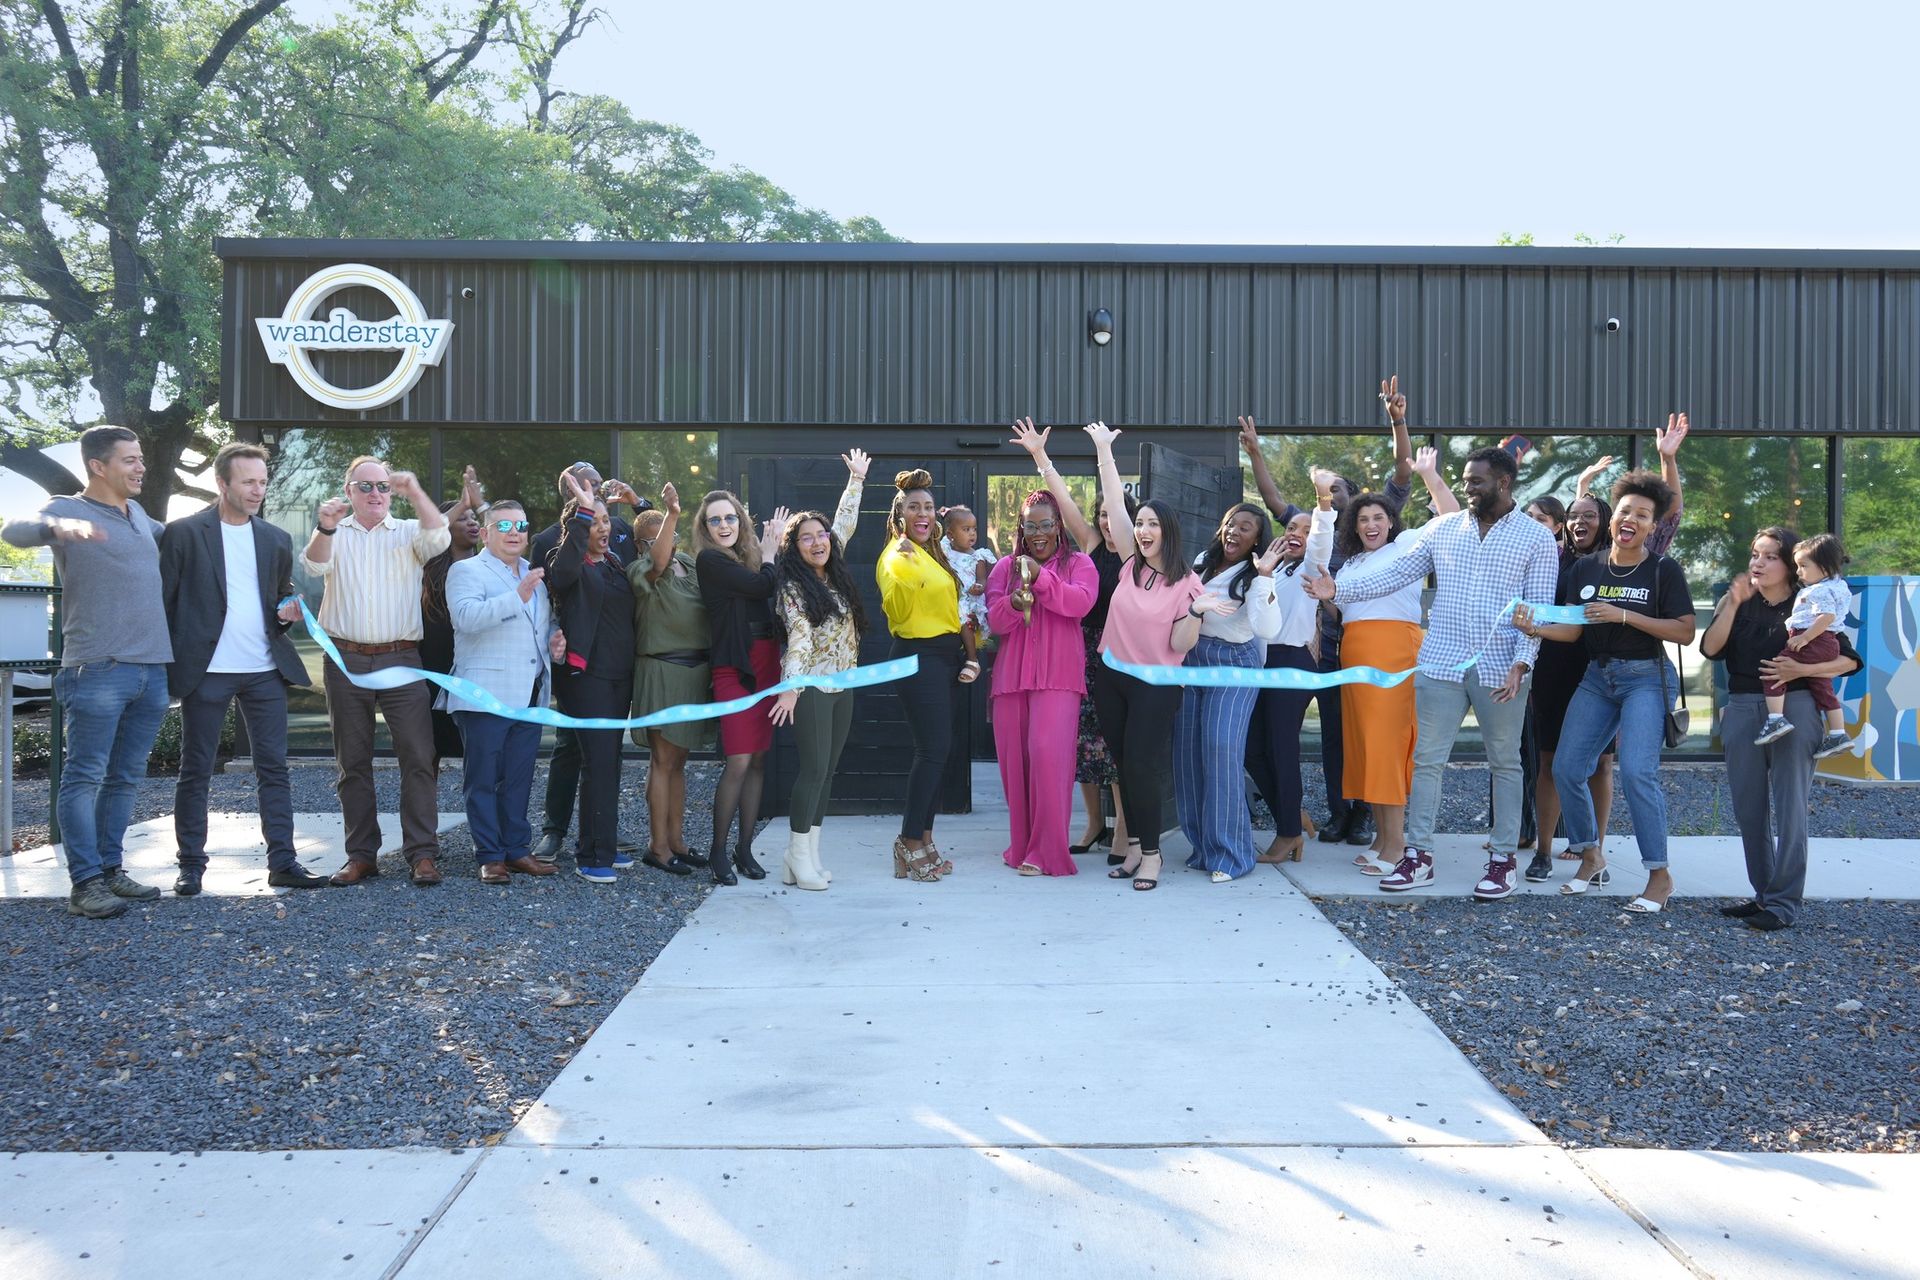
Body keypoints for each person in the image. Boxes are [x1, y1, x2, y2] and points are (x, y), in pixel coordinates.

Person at [1309, 445, 1559, 900]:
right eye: (1464, 480)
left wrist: (1522, 663)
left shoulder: (1536, 538)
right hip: (1440, 661)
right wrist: (1338, 587)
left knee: (1505, 763)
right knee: (1427, 762)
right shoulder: (1443, 529)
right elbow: (1396, 572)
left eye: (1475, 481)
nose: (1466, 488)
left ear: (1503, 483)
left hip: (1501, 667)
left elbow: (1536, 611)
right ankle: (1417, 855)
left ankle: (1502, 861)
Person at [4, 427, 171, 918]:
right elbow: (12, 529)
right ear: (98, 466)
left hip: (151, 672)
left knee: (123, 779)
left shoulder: (140, 515)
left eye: (141, 458)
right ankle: (85, 883)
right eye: (130, 460)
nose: (141, 467)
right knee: (84, 778)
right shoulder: (66, 507)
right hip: (96, 670)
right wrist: (59, 529)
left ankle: (111, 870)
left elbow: (189, 541)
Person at [1241, 380, 1417, 847]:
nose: (1330, 493)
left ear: (1355, 498)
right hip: (1311, 648)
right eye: (1326, 489)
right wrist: (1256, 454)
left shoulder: (1367, 531)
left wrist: (1397, 421)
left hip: (1351, 646)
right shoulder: (1316, 532)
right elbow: (1276, 500)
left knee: (1357, 731)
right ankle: (1338, 814)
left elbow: (1403, 471)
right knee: (1333, 740)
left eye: (1338, 489)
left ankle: (1360, 815)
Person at [1516, 472, 1695, 913]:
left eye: (1642, 514)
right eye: (1625, 511)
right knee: (1566, 767)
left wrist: (1623, 616)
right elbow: (1575, 632)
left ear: (1653, 526)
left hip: (1646, 678)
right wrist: (1534, 628)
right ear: (1612, 519)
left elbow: (1685, 632)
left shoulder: (1662, 570)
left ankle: (1659, 876)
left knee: (1637, 772)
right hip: (1598, 678)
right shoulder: (1586, 568)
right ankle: (1590, 856)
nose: (1630, 519)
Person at [158, 442, 325, 896]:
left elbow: (277, 598)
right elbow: (165, 604)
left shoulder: (274, 538)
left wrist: (286, 610)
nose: (258, 490)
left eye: (263, 482)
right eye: (248, 482)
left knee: (274, 768)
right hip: (206, 671)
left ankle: (283, 863)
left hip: (263, 670)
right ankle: (191, 865)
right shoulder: (184, 533)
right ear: (222, 483)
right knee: (196, 770)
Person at [1700, 528, 1863, 932]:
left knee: (1790, 810)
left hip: (1797, 707)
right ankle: (1763, 895)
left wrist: (1802, 669)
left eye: (1769, 556)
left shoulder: (1809, 600)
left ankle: (1783, 903)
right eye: (1755, 554)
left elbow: (1849, 661)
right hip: (1741, 707)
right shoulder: (1737, 598)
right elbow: (1710, 649)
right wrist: (1733, 604)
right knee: (1748, 810)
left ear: (1790, 563)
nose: (1757, 563)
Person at [300, 455, 450, 887]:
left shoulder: (407, 531)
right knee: (353, 762)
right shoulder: (334, 531)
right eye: (365, 486)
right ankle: (361, 855)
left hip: (401, 658)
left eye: (383, 486)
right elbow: (313, 565)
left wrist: (415, 491)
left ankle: (422, 854)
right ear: (349, 491)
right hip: (345, 659)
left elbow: (438, 539)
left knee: (419, 757)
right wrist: (326, 525)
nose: (375, 494)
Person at [1085, 422, 1215, 891]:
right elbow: (1115, 499)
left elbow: (1181, 647)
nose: (1142, 530)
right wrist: (1104, 450)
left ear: (1168, 532)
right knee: (1123, 763)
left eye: (1152, 524)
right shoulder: (1127, 566)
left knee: (1142, 765)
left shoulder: (1187, 583)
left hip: (1157, 686)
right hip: (1112, 677)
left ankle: (1153, 855)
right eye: (1140, 523)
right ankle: (1136, 846)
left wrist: (1197, 610)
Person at [1324, 447, 1459, 876]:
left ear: (1392, 522)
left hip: (1392, 650)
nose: (1370, 524)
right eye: (1363, 519)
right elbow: (1343, 612)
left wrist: (1428, 476)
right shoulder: (1354, 562)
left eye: (1378, 517)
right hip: (1355, 651)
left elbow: (1452, 519)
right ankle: (1383, 837)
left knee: (1387, 746)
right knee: (1365, 747)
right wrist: (1322, 597)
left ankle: (1399, 846)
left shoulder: (1407, 544)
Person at [1008, 417, 1135, 864]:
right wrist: (1040, 457)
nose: (1104, 519)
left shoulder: (1136, 554)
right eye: (1098, 514)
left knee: (1115, 743)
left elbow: (1117, 501)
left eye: (1111, 514)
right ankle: (1094, 823)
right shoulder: (1090, 544)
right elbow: (1060, 502)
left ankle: (1125, 831)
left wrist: (1104, 452)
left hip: (1120, 652)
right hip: (1080, 649)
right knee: (1082, 745)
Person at [528, 461, 644, 864]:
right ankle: (565, 837)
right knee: (578, 754)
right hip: (582, 670)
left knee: (608, 758)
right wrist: (555, 638)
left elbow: (649, 543)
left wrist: (639, 503)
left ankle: (602, 841)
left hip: (618, 672)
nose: (605, 525)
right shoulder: (553, 542)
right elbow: (556, 588)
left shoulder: (615, 553)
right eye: (590, 486)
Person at [444, 500, 565, 884]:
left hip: (529, 694)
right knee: (482, 778)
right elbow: (466, 618)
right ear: (485, 532)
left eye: (522, 525)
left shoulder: (532, 573)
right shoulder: (465, 570)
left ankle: (516, 850)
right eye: (506, 525)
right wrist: (518, 595)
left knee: (518, 777)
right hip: (484, 694)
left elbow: (538, 628)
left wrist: (553, 644)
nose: (516, 532)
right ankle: (490, 855)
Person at [766, 451, 872, 890]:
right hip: (809, 686)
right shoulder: (793, 587)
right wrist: (791, 688)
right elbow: (800, 639)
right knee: (812, 770)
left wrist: (857, 479)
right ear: (795, 547)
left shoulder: (835, 570)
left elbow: (844, 521)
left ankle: (806, 857)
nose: (818, 541)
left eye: (820, 534)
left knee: (828, 770)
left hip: (841, 683)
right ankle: (795, 852)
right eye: (806, 537)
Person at [986, 490, 1098, 876]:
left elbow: (1080, 603)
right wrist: (1015, 604)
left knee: (1049, 758)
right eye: (1030, 525)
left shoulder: (1079, 564)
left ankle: (1047, 852)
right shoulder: (1004, 567)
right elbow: (995, 622)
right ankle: (1021, 847)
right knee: (1015, 765)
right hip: (1011, 679)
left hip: (1058, 677)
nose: (1038, 533)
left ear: (1058, 526)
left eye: (1045, 524)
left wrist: (1041, 579)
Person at [1175, 500, 1283, 883]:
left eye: (1246, 527)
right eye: (1230, 524)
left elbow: (1267, 629)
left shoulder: (1255, 574)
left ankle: (1232, 855)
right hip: (1193, 659)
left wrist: (1266, 576)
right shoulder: (1204, 559)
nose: (1234, 531)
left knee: (1221, 748)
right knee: (1189, 754)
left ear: (1258, 539)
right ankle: (1203, 847)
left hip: (1234, 664)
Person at [695, 487, 794, 886]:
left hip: (767, 663)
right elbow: (760, 587)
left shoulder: (750, 558)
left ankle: (745, 848)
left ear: (741, 521)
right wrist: (770, 554)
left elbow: (777, 585)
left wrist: (773, 548)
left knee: (757, 761)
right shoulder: (710, 560)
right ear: (706, 527)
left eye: (730, 518)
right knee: (737, 760)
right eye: (715, 520)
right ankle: (718, 850)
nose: (723, 525)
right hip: (735, 669)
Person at [877, 468, 968, 882]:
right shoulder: (899, 555)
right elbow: (898, 606)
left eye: (929, 507)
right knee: (931, 751)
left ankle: (925, 838)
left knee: (938, 752)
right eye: (914, 507)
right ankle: (908, 842)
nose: (923, 513)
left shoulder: (931, 553)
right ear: (900, 515)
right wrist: (908, 568)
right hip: (918, 656)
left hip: (944, 657)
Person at [627, 485, 714, 876]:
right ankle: (657, 847)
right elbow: (659, 562)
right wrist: (673, 512)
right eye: (657, 535)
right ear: (642, 543)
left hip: (695, 673)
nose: (667, 541)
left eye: (670, 533)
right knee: (662, 761)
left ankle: (677, 840)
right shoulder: (643, 571)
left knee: (679, 761)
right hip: (662, 671)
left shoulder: (691, 566)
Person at [1243, 502, 1326, 866]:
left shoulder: (1311, 568)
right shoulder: (1270, 570)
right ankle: (1292, 817)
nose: (1298, 534)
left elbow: (1322, 539)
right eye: (1293, 527)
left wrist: (1322, 502)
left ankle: (1289, 831)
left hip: (1293, 660)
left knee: (1282, 748)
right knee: (1251, 749)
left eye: (1307, 531)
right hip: (1263, 663)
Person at [1757, 532, 1853, 756]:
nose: (1799, 571)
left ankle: (1776, 720)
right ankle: (1838, 734)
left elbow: (1826, 616)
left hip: (1814, 640)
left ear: (1825, 566)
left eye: (1803, 566)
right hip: (1827, 643)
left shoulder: (1819, 590)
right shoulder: (1838, 586)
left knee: (1775, 672)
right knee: (1824, 690)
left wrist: (1805, 637)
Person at [419, 466, 487, 763]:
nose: (471, 523)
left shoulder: (489, 568)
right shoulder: (426, 572)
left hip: (474, 670)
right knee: (427, 750)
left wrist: (481, 505)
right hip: (432, 669)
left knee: (477, 751)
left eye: (474, 518)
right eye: (463, 518)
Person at [940, 505, 995, 675]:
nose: (972, 533)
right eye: (966, 529)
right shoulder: (945, 551)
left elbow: (982, 579)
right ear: (950, 535)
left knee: (963, 616)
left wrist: (979, 587)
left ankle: (972, 659)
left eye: (974, 529)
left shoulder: (978, 556)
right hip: (949, 595)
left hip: (968, 598)